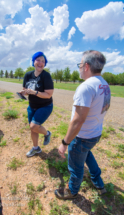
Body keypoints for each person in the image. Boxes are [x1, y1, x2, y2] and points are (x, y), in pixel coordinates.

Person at [54, 50, 111, 200]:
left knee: (76, 168)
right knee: (86, 154)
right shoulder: (105, 85)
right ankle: (98, 181)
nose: (79, 68)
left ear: (86, 66)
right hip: (95, 133)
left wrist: (64, 143)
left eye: (80, 65)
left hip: (82, 137)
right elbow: (104, 108)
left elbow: (78, 120)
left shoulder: (86, 87)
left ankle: (71, 191)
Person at [20, 51, 54, 157]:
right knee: (32, 128)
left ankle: (47, 133)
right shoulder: (28, 75)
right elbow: (25, 89)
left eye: (43, 61)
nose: (40, 62)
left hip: (45, 106)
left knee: (34, 126)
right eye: (38, 60)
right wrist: (24, 92)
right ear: (33, 62)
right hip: (32, 106)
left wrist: (35, 92)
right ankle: (36, 148)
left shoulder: (46, 76)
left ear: (45, 64)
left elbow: (48, 94)